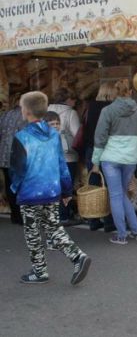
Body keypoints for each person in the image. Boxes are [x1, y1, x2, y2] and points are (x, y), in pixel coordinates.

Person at [10, 91, 91, 285]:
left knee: (33, 232)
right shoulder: (54, 135)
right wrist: (66, 191)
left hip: (30, 192)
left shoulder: (21, 137)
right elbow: (62, 165)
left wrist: (15, 188)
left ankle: (39, 271)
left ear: (27, 111)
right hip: (52, 190)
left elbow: (17, 169)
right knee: (53, 227)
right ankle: (78, 257)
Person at [92, 79, 137, 245]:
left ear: (115, 93)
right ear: (130, 92)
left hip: (111, 158)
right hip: (130, 157)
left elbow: (100, 137)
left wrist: (95, 160)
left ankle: (121, 235)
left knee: (115, 196)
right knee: (122, 194)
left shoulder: (107, 110)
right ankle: (135, 231)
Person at [83, 82, 117, 232]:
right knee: (109, 185)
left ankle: (93, 219)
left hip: (91, 149)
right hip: (107, 149)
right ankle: (110, 221)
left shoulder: (91, 107)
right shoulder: (110, 108)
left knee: (94, 184)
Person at [48, 88, 81, 224]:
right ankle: (64, 216)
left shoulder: (45, 111)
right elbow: (77, 135)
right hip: (67, 156)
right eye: (73, 99)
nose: (74, 102)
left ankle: (51, 216)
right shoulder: (70, 113)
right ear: (67, 99)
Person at [0, 94, 27, 224]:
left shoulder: (5, 115)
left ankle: (15, 215)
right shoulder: (25, 116)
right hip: (18, 156)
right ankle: (22, 216)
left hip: (4, 156)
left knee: (10, 186)